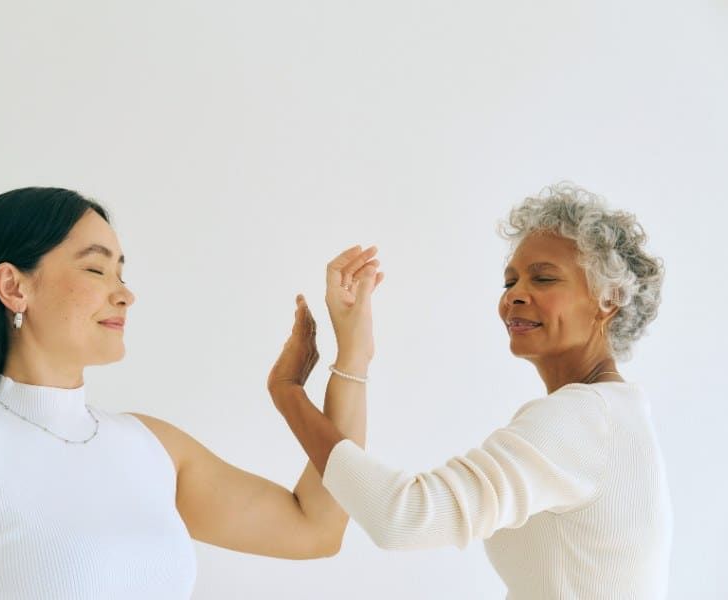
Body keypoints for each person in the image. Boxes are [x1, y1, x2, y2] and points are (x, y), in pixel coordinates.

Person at [0, 187, 381, 599]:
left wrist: (351, 359)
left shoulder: (151, 448)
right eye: (96, 268)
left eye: (121, 271)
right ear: (13, 287)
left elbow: (318, 527)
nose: (125, 293)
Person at [272, 183, 673, 599]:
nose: (516, 295)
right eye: (509, 282)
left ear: (609, 299)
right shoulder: (612, 415)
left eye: (544, 278)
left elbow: (403, 516)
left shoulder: (583, 419)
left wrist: (288, 393)